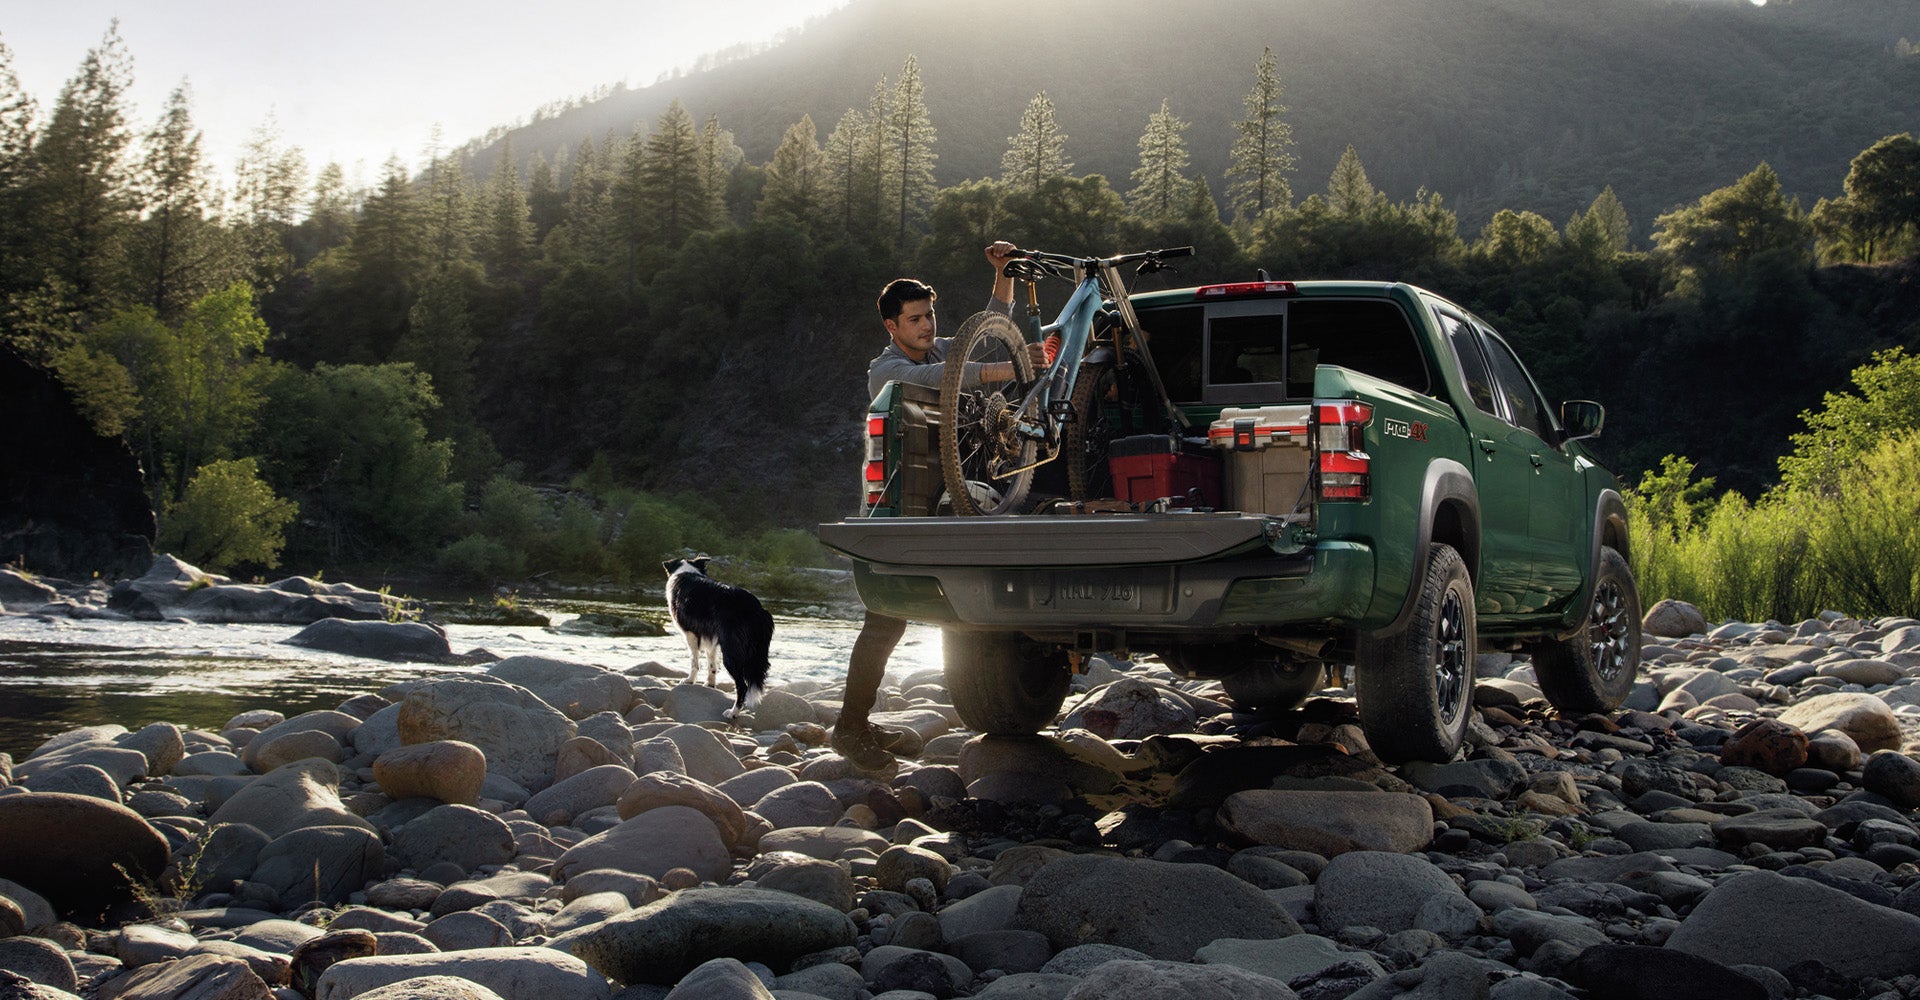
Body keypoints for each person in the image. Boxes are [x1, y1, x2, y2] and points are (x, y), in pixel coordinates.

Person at [831, 241, 1040, 771]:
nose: (926, 326)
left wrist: (1003, 274)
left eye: (929, 315)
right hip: (893, 509)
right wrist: (1016, 368)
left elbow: (993, 327)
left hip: (943, 500)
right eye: (914, 319)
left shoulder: (944, 348)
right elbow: (954, 380)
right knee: (884, 622)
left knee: (940, 610)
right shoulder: (887, 371)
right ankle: (849, 729)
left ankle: (861, 722)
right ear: (891, 327)